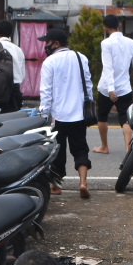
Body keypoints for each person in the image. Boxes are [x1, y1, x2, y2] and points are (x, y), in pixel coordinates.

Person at [38, 25, 94, 200]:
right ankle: (83, 183)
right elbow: (88, 85)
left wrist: (43, 115)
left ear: (56, 43)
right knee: (81, 149)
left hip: (58, 116)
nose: (45, 45)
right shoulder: (80, 58)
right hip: (79, 114)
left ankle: (56, 186)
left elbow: (46, 92)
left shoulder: (49, 62)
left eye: (47, 42)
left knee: (57, 151)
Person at [94, 15, 133, 154]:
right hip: (125, 88)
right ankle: (128, 150)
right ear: (118, 25)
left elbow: (108, 67)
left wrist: (111, 89)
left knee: (102, 116)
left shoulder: (106, 43)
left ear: (105, 27)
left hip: (106, 89)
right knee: (125, 119)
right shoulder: (131, 43)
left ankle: (104, 147)